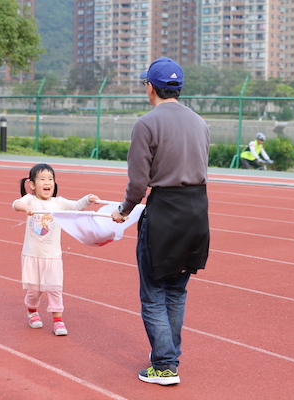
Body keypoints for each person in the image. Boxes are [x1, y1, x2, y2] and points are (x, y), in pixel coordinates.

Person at [111, 57, 210, 386]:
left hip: (165, 211)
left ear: (150, 87)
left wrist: (123, 211)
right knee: (177, 292)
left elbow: (138, 184)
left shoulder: (146, 124)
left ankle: (165, 365)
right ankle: (168, 359)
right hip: (196, 211)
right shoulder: (200, 123)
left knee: (153, 292)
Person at [12, 163, 100, 336]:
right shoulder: (30, 200)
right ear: (32, 184)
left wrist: (87, 199)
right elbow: (16, 204)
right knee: (34, 291)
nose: (47, 183)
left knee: (54, 288)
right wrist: (26, 208)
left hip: (52, 256)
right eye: (43, 179)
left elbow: (75, 207)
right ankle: (32, 311)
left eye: (50, 179)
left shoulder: (58, 202)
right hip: (32, 255)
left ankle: (58, 321)